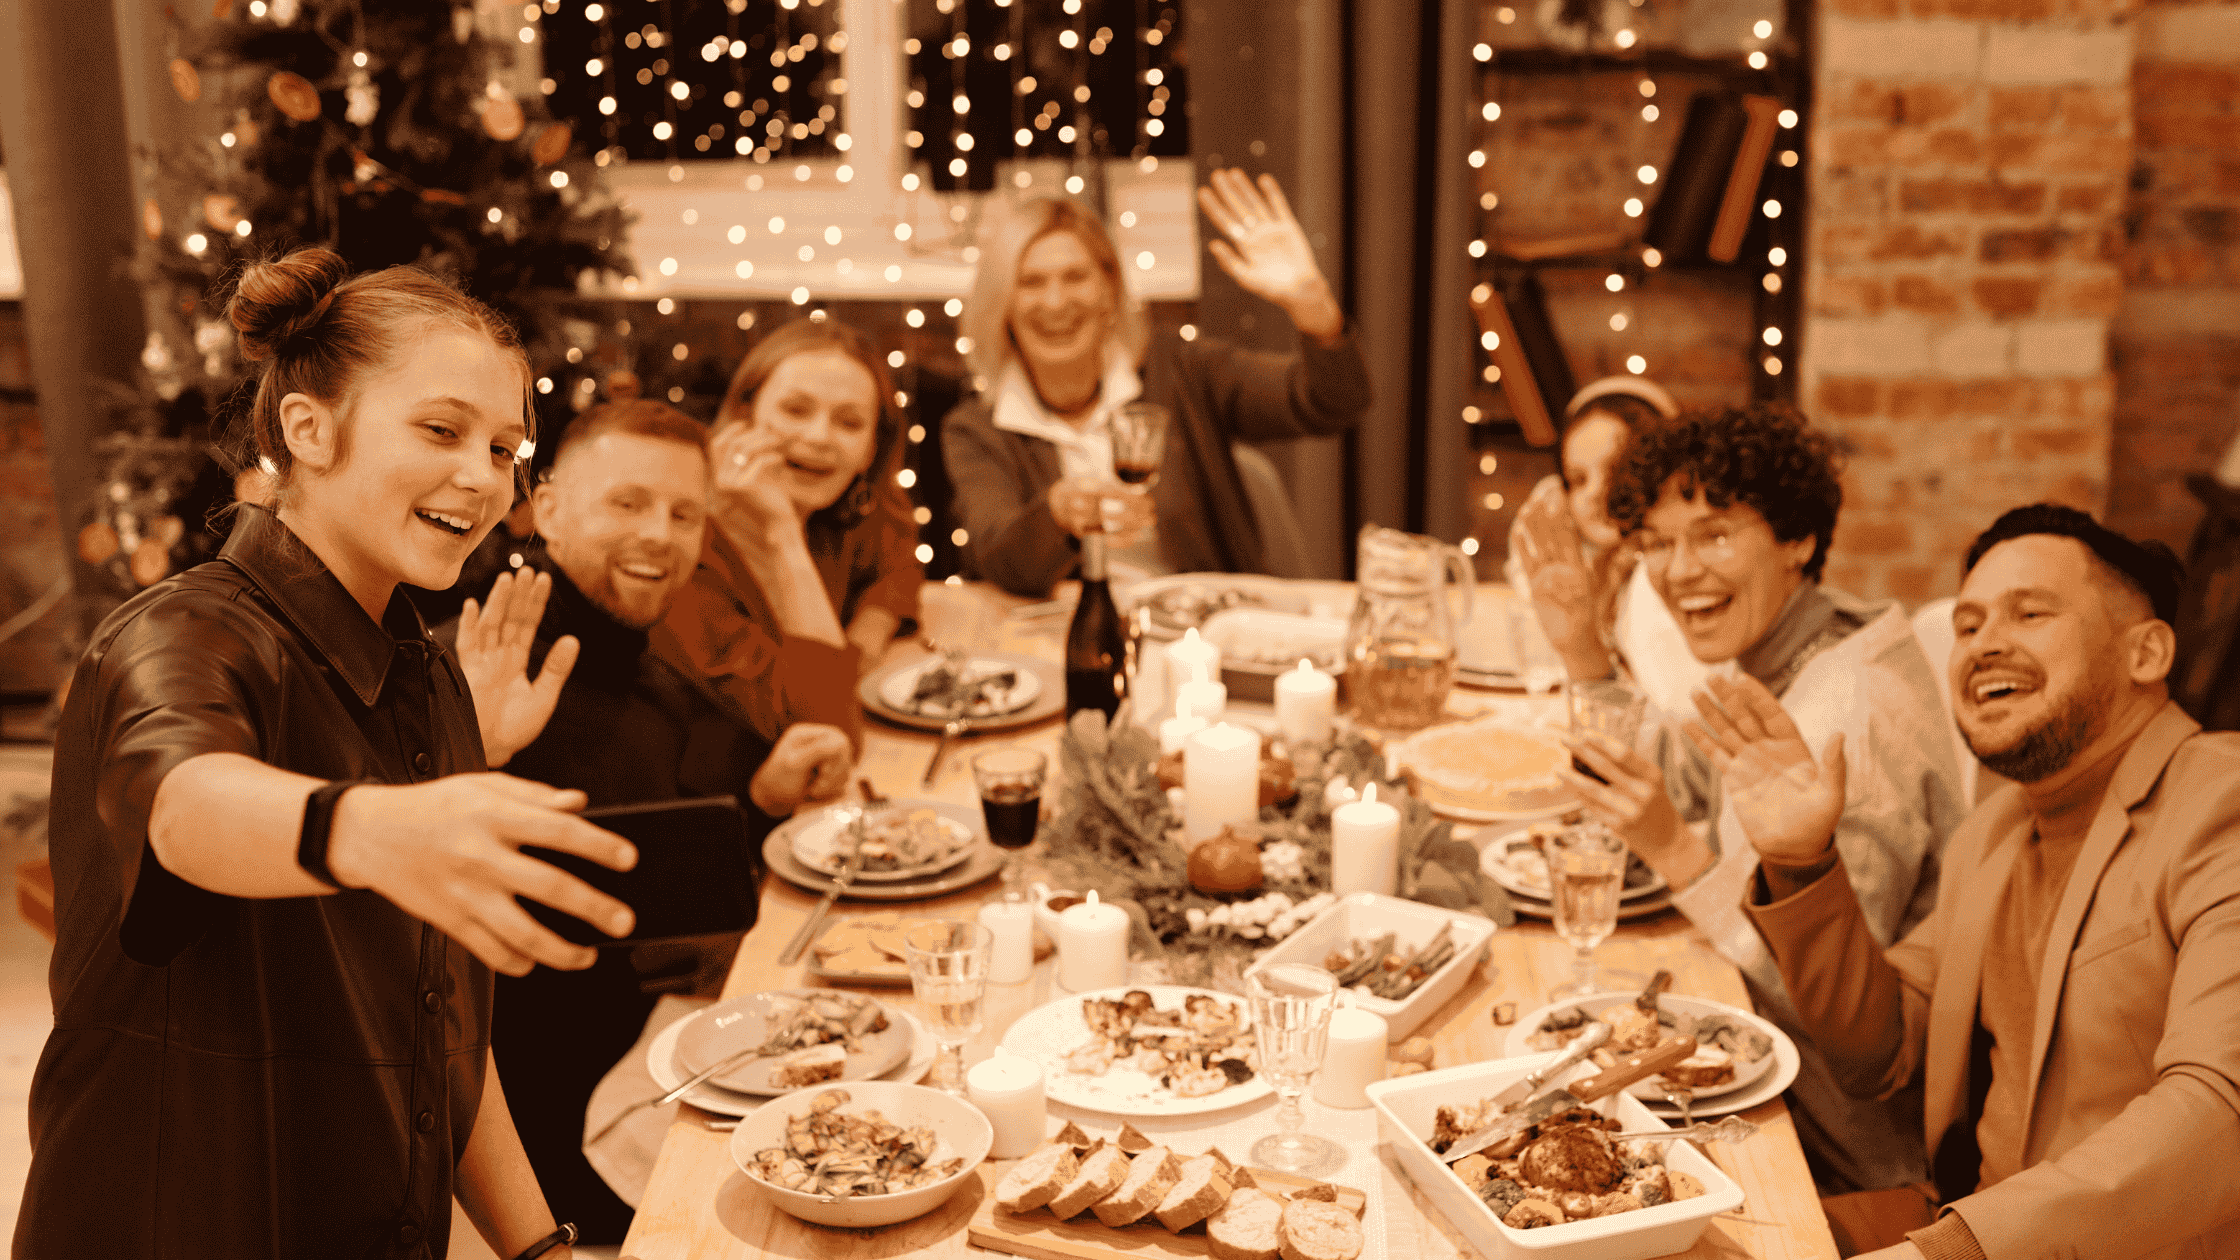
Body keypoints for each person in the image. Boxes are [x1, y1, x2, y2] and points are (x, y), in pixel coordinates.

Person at [19, 248, 634, 1259]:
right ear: (308, 429)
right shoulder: (180, 635)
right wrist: (367, 826)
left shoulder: (425, 681)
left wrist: (538, 1248)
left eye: (505, 449)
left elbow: (439, 1030)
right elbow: (184, 806)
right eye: (441, 429)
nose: (480, 477)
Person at [1727, 505, 2240, 1259]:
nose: (1984, 644)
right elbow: (1880, 1053)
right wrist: (1803, 861)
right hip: (1963, 1226)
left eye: (2029, 612)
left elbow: (2220, 1110)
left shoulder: (2220, 803)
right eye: (1966, 626)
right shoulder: (1994, 832)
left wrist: (1949, 1251)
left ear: (2147, 651)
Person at [440, 399, 854, 1243]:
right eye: (626, 503)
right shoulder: (486, 659)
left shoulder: (648, 655)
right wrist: (468, 760)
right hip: (574, 1135)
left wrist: (762, 792)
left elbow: (651, 830)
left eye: (683, 513)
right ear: (545, 506)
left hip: (681, 1044)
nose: (660, 535)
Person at [1558, 403, 1969, 1197]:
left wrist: (1675, 850)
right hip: (1769, 1082)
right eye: (1657, 544)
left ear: (1797, 538)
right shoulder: (1797, 640)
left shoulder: (1846, 710)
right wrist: (1582, 644)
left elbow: (1833, 1014)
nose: (1677, 573)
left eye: (1713, 535)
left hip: (1844, 1152)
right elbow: (1688, 774)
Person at [943, 170, 1373, 596]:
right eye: (1031, 282)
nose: (1056, 302)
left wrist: (1315, 310)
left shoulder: (1185, 370)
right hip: (1068, 638)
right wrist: (1058, 515)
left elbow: (1332, 403)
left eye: (1076, 277)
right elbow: (1000, 561)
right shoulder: (976, 429)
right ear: (1004, 305)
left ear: (1110, 291)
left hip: (1200, 634)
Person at [654, 319, 920, 747]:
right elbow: (824, 731)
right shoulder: (681, 543)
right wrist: (782, 535)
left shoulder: (855, 500)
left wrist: (869, 632)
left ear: (872, 449)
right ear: (746, 414)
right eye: (795, 410)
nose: (818, 437)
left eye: (849, 423)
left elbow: (901, 566)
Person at [1506, 376, 1708, 715]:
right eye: (1578, 480)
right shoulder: (1593, 570)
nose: (1595, 493)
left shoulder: (1666, 580)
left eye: (1616, 469)